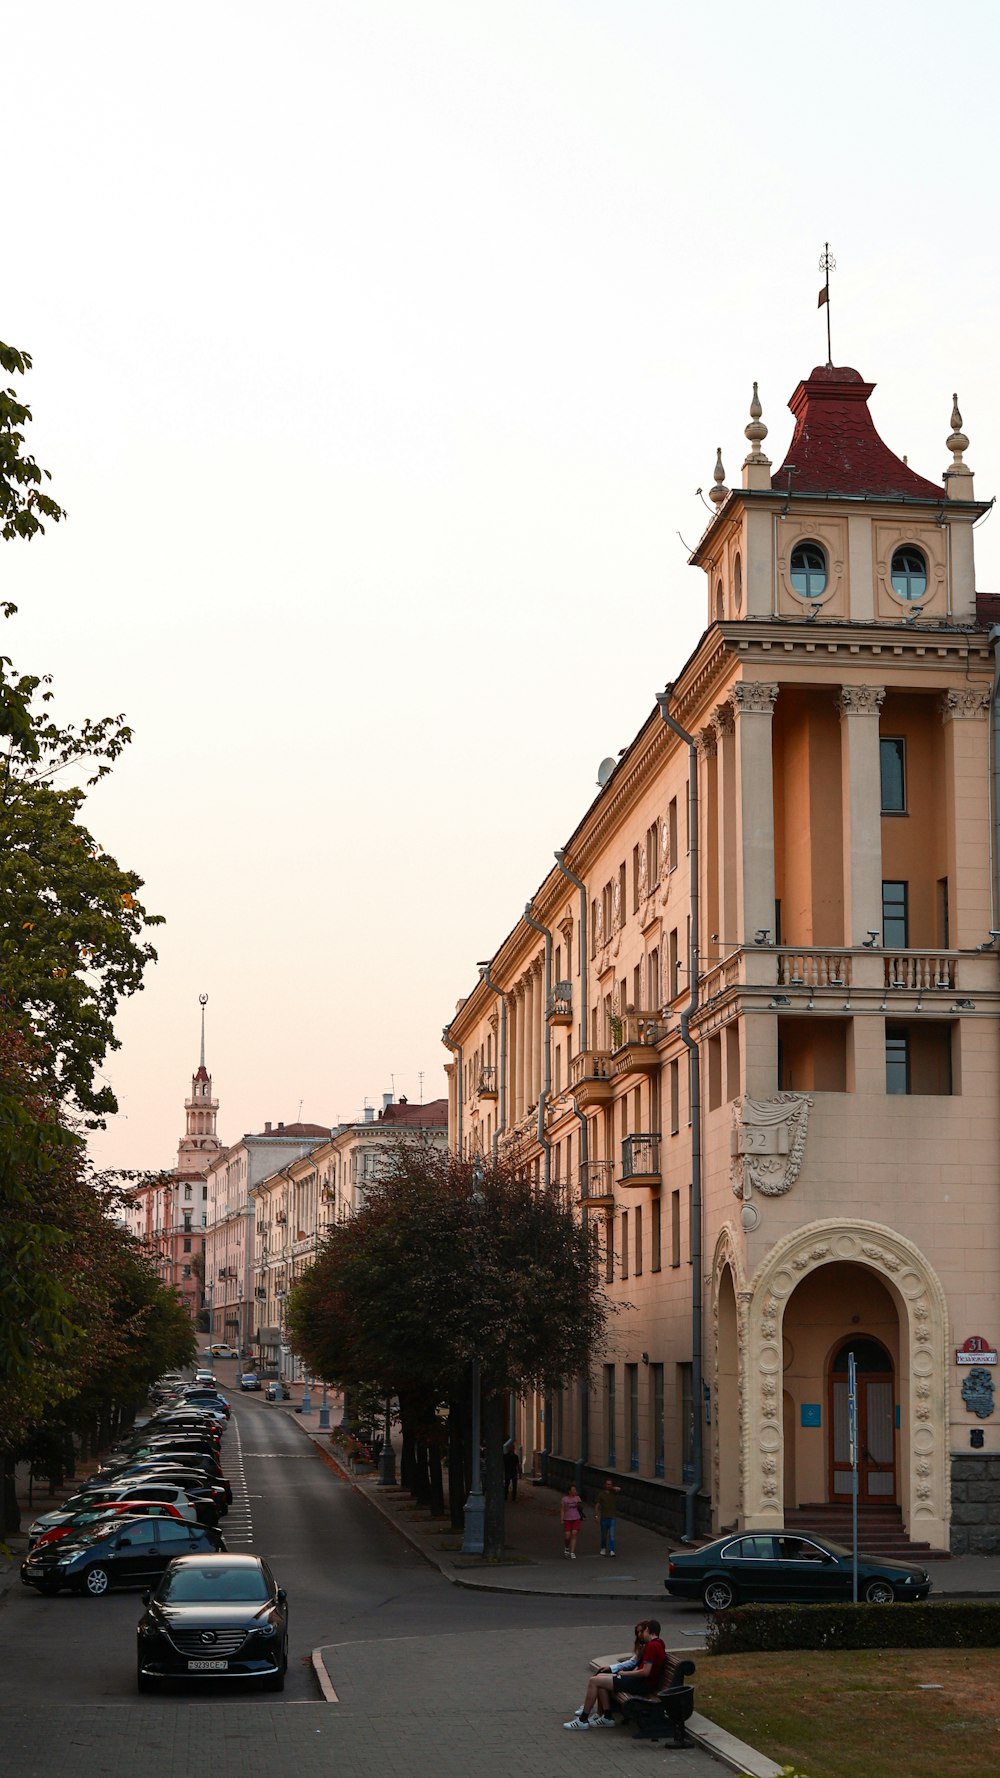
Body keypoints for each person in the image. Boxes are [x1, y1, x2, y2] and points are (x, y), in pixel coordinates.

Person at [564, 1620, 667, 1729]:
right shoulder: (660, 1643)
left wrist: (625, 1673)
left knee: (594, 1681)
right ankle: (607, 1717)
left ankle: (583, 1720)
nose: (641, 1635)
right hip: (643, 1683)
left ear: (648, 1630)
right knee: (599, 1679)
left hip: (640, 1684)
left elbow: (645, 1672)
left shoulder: (652, 1646)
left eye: (643, 1631)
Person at [595, 1476, 620, 1556]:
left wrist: (612, 1488)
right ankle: (603, 1548)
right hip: (604, 1517)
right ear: (604, 1485)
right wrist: (596, 1515)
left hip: (612, 1517)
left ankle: (612, 1550)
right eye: (607, 1484)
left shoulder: (614, 1492)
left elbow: (618, 1489)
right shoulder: (601, 1494)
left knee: (612, 1535)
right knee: (604, 1535)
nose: (608, 1485)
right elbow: (597, 1505)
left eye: (610, 1484)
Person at [559, 1482, 583, 1558]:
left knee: (574, 1533)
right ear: (569, 1491)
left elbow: (581, 1507)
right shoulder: (564, 1499)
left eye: (575, 1490)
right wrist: (562, 1519)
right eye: (573, 1490)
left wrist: (579, 1505)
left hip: (576, 1518)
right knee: (567, 1536)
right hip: (567, 1518)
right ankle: (566, 1548)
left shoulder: (577, 1498)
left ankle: (572, 1552)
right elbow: (562, 1509)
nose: (574, 1491)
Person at [503, 1438, 521, 1502]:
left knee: (513, 1486)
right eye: (511, 1448)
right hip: (509, 1472)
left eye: (512, 1448)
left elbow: (517, 1465)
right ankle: (506, 1496)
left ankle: (512, 1497)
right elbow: (503, 1465)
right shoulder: (506, 1456)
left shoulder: (515, 1456)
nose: (512, 1449)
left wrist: (519, 1473)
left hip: (512, 1472)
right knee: (507, 1485)